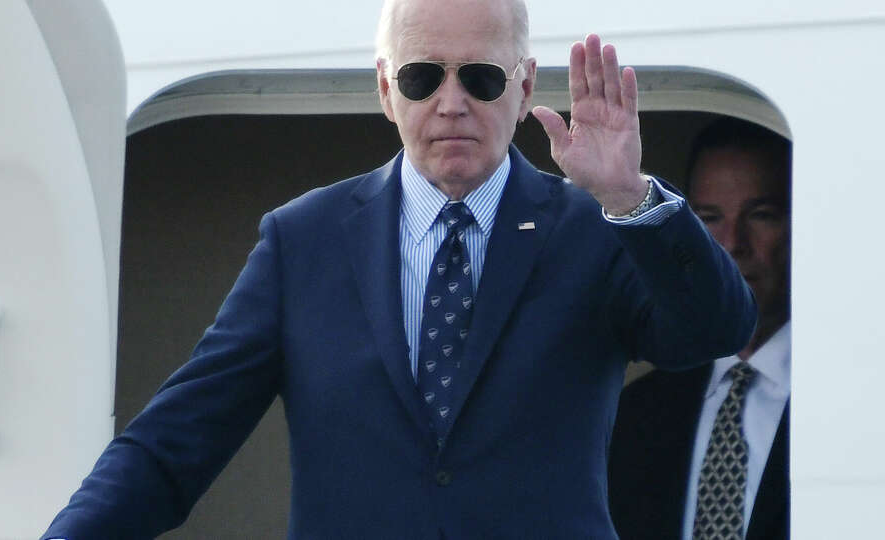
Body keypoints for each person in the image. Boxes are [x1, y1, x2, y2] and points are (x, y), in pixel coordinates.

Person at [43, 0, 755, 538]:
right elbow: (174, 443)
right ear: (386, 89)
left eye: (480, 77)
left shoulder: (593, 228)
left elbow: (714, 330)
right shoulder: (304, 241)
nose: (451, 103)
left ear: (524, 82)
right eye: (421, 77)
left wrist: (628, 198)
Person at [608, 117, 791, 540]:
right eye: (709, 218)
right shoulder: (633, 414)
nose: (731, 243)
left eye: (761, 215)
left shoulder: (856, 404)